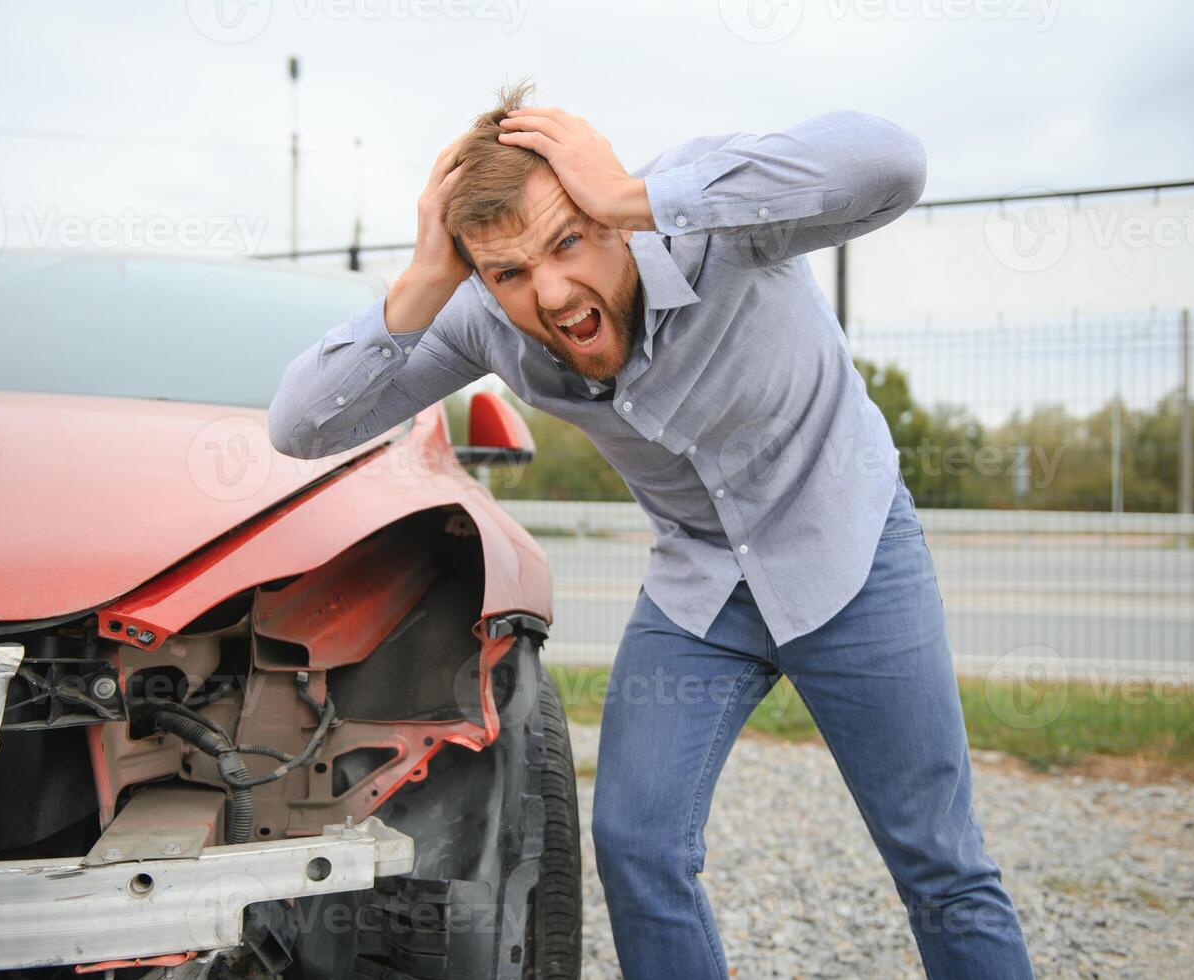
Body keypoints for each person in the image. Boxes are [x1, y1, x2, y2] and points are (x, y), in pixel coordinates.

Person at [268, 81, 1033, 980]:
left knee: (938, 861)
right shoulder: (479, 312)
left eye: (567, 240)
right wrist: (428, 280)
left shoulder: (704, 213)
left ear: (606, 210)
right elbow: (300, 427)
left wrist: (634, 196)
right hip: (701, 587)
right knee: (637, 846)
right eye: (507, 272)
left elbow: (892, 162)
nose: (549, 293)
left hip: (851, 552)